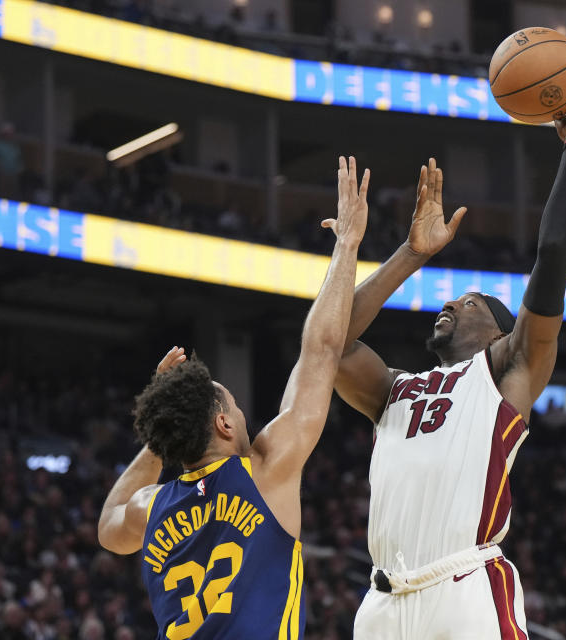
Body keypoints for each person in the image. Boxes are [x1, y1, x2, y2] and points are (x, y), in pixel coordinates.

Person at [337, 54, 566, 639]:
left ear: (501, 332)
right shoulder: (394, 390)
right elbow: (329, 342)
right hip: (381, 603)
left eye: (469, 303)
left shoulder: (507, 371)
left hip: (463, 590)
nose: (448, 305)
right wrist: (410, 255)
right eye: (449, 300)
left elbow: (553, 255)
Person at [96, 157, 371, 639]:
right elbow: (321, 349)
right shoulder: (266, 471)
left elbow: (107, 527)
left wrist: (161, 434)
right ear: (224, 425)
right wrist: (347, 243)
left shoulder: (150, 506)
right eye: (235, 406)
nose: (243, 414)